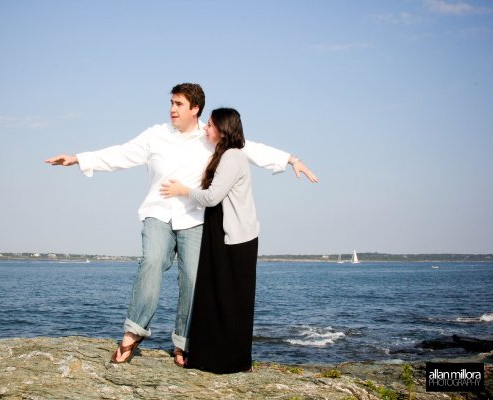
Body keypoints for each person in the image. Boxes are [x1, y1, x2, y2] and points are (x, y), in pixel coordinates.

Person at [45, 83, 317, 366]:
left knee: (192, 279)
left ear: (195, 109)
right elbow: (121, 154)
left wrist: (290, 160)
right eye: (171, 103)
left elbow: (248, 148)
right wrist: (78, 159)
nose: (172, 109)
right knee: (151, 261)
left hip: (194, 218)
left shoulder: (210, 136)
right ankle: (133, 332)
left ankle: (184, 343)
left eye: (178, 104)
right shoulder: (156, 135)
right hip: (158, 213)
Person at [161, 108, 262, 373]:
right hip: (223, 233)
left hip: (235, 237)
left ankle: (230, 360)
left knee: (231, 299)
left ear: (223, 128)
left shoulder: (232, 156)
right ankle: (219, 356)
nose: (206, 128)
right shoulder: (226, 155)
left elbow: (212, 197)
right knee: (219, 296)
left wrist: (183, 191)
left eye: (211, 125)